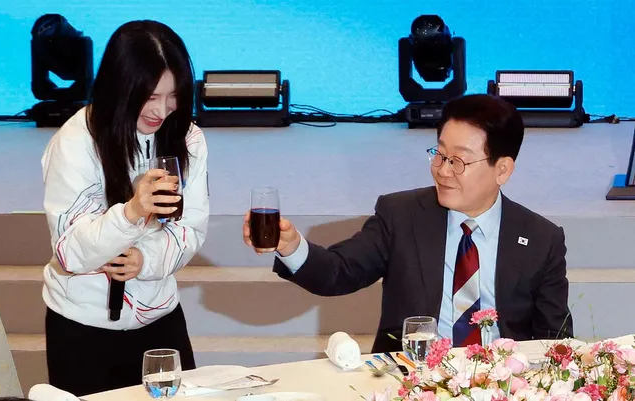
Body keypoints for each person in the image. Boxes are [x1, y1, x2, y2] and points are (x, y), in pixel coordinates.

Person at [243, 94, 573, 353]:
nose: (443, 170)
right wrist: (292, 247)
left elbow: (555, 338)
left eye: (458, 161)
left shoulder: (541, 239)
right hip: (411, 378)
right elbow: (338, 272)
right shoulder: (401, 215)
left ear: (502, 169)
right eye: (439, 154)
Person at [41, 20, 209, 396]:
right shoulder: (75, 142)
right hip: (82, 328)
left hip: (161, 319)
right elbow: (70, 254)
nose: (162, 110)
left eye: (173, 96)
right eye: (150, 96)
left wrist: (144, 260)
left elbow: (191, 229)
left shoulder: (188, 138)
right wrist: (131, 212)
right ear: (120, 87)